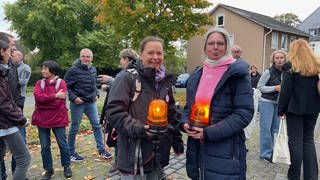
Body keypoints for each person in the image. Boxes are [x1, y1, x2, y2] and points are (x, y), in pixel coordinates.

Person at [106, 36, 184, 179]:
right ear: (141, 54)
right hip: (134, 156)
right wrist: (141, 129)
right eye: (150, 53)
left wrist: (177, 141)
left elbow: (171, 113)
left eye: (159, 53)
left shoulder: (164, 81)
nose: (155, 57)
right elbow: (114, 111)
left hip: (159, 155)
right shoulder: (127, 78)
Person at [181, 27, 254, 179]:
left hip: (225, 148)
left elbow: (244, 113)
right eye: (211, 43)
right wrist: (185, 122)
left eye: (220, 43)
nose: (215, 47)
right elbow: (189, 107)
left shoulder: (236, 74)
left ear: (227, 46)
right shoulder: (197, 74)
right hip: (197, 146)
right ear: (205, 47)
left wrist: (208, 133)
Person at [278, 39, 320, 180]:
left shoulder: (290, 65)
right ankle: (312, 176)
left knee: (295, 141)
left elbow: (286, 90)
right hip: (313, 108)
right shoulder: (315, 65)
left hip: (294, 109)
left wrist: (281, 110)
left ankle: (294, 175)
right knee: (308, 140)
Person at [64, 48, 112, 162]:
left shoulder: (93, 69)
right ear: (80, 57)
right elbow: (64, 85)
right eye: (83, 56)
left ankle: (102, 150)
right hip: (78, 104)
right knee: (74, 128)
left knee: (96, 126)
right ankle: (70, 153)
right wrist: (74, 98)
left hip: (90, 103)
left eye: (88, 56)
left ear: (91, 58)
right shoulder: (73, 70)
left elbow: (94, 84)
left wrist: (96, 94)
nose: (85, 58)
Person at [99, 48, 139, 174]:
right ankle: (121, 164)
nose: (120, 62)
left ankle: (120, 165)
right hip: (128, 113)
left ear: (126, 59)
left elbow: (127, 89)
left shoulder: (127, 73)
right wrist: (110, 88)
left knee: (119, 138)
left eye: (121, 59)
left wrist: (111, 81)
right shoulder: (135, 71)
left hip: (124, 113)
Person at [31, 60, 72, 179]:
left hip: (58, 119)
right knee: (44, 146)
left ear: (52, 70)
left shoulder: (61, 83)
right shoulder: (39, 83)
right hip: (42, 120)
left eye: (45, 68)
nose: (42, 71)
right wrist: (54, 96)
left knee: (63, 144)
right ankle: (48, 169)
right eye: (42, 68)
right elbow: (38, 99)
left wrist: (44, 102)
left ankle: (66, 166)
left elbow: (57, 104)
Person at [0, 40, 30, 180]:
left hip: (9, 118)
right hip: (6, 122)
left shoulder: (7, 67)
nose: (13, 50)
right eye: (10, 47)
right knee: (24, 158)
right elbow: (4, 102)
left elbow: (15, 90)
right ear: (2, 51)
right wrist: (21, 118)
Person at [257, 49, 286, 162]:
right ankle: (265, 153)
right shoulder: (268, 71)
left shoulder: (287, 71)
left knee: (275, 129)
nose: (279, 60)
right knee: (266, 129)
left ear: (285, 59)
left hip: (280, 104)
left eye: (281, 58)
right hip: (267, 102)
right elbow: (260, 86)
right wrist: (275, 88)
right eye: (277, 58)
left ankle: (273, 151)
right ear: (273, 60)